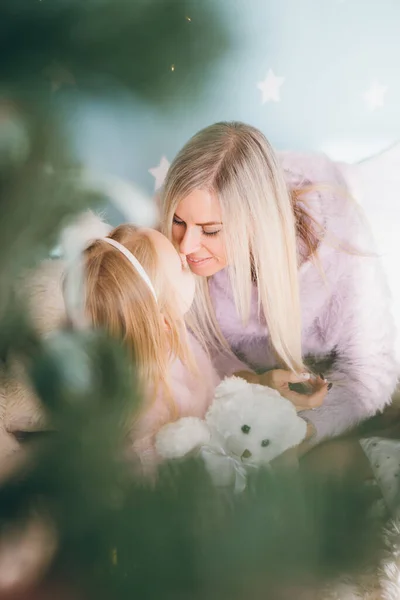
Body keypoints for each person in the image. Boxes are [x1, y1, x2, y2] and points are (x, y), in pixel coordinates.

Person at [160, 121, 398, 449]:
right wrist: (252, 383)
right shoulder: (171, 252)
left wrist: (298, 435)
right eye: (177, 220)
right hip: (247, 412)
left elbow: (371, 372)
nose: (185, 247)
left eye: (211, 230)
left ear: (257, 221)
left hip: (335, 411)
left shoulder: (340, 241)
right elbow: (197, 347)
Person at [80, 222, 327, 470]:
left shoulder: (174, 337)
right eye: (179, 265)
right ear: (163, 319)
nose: (186, 254)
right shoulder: (147, 407)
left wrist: (260, 386)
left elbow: (217, 381)